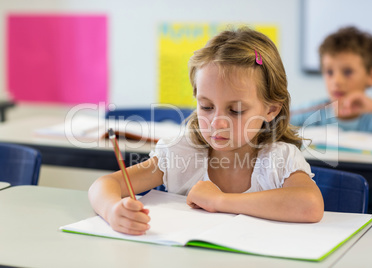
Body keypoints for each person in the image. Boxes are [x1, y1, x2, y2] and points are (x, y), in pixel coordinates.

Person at [88, 27, 324, 235]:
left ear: (271, 110)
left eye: (236, 110)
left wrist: (220, 201)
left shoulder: (278, 158)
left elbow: (310, 205)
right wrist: (112, 211)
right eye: (207, 107)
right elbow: (104, 185)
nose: (217, 123)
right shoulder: (183, 153)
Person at [291, 26, 372, 136]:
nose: (336, 81)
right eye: (329, 72)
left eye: (348, 72)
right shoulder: (313, 112)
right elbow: (277, 120)